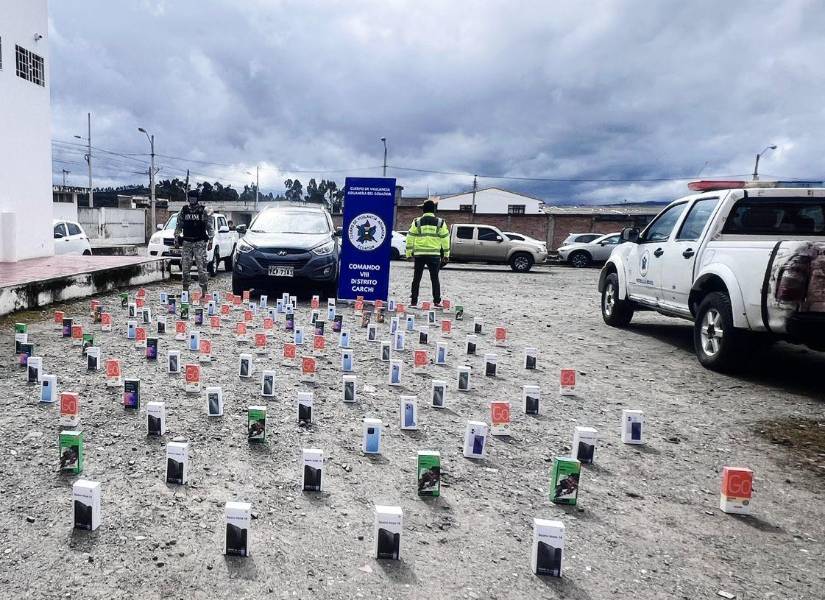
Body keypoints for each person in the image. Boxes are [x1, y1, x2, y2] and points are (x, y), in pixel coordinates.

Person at [406, 200, 450, 307]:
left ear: (423, 210)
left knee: (416, 278)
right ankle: (436, 301)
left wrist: (408, 253)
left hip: (419, 254)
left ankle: (413, 301)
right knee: (435, 278)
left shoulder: (417, 221)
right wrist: (446, 255)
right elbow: (445, 239)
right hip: (434, 255)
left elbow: (410, 237)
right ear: (434, 210)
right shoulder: (440, 222)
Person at [174, 190, 214, 293]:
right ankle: (185, 290)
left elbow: (210, 227)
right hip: (187, 242)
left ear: (197, 199)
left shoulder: (204, 211)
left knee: (201, 269)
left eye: (194, 198)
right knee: (185, 268)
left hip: (199, 243)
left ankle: (204, 291)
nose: (192, 200)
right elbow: (179, 225)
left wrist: (211, 240)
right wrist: (176, 238)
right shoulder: (184, 210)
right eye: (190, 198)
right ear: (188, 198)